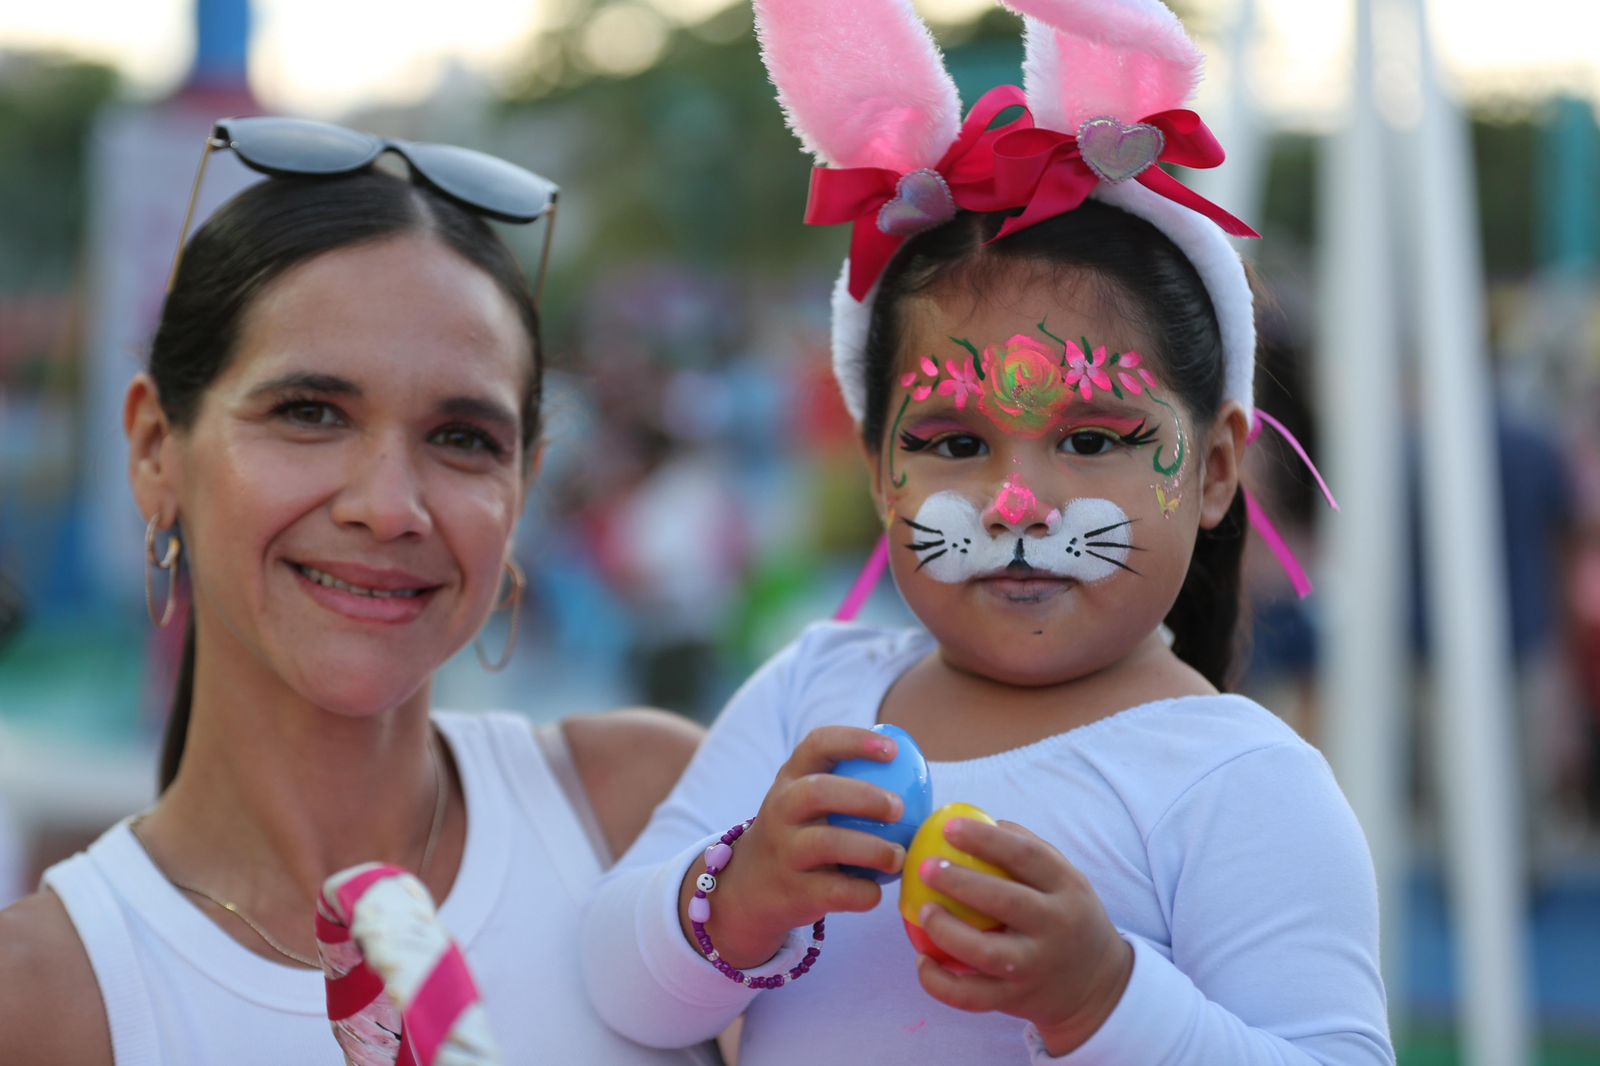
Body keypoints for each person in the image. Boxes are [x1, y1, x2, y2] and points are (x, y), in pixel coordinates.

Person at [580, 1, 1392, 1062]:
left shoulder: (1238, 780)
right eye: (956, 445)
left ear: (1215, 469)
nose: (1018, 502)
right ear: (879, 472)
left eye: (1093, 437)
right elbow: (610, 978)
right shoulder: (811, 698)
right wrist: (737, 896)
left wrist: (1101, 997)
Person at [0, 118, 713, 1065]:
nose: (389, 508)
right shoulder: (44, 996)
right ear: (153, 449)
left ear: (524, 487)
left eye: (463, 438)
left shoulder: (652, 823)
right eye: (310, 413)